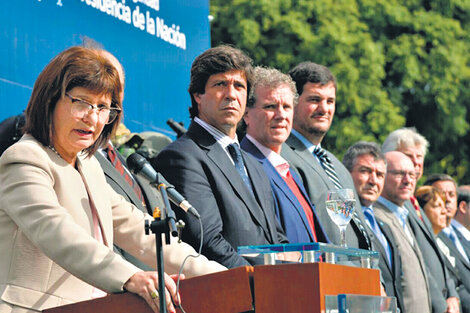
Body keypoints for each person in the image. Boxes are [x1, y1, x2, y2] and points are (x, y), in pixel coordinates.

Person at [0, 46, 180, 313]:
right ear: (49, 101)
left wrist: (235, 274)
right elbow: (57, 232)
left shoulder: (89, 166)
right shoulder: (24, 158)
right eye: (81, 102)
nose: (92, 118)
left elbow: (142, 234)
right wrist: (129, 276)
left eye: (103, 107)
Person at [153, 45, 288, 268]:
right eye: (220, 84)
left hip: (270, 296)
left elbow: (277, 239)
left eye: (239, 86)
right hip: (231, 293)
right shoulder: (181, 157)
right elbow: (206, 241)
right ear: (198, 95)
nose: (231, 95)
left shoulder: (254, 165)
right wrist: (260, 281)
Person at [281, 61, 372, 249]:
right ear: (292, 102)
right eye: (315, 100)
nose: (324, 109)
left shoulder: (337, 166)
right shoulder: (282, 156)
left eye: (330, 101)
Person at [240, 66, 328, 244]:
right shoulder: (243, 168)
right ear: (246, 114)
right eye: (270, 106)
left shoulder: (290, 172)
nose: (281, 115)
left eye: (287, 107)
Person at [383, 128, 460, 313]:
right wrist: (441, 304)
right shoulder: (394, 205)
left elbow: (434, 254)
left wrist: (451, 293)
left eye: (419, 157)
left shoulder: (411, 202)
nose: (416, 163)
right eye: (409, 156)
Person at [343, 141, 404, 312]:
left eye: (380, 174)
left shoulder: (385, 226)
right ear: (345, 173)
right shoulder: (340, 221)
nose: (373, 181)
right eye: (365, 171)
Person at [373, 151, 432, 313]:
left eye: (412, 174)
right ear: (382, 175)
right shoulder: (374, 217)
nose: (408, 180)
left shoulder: (404, 216)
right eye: (399, 174)